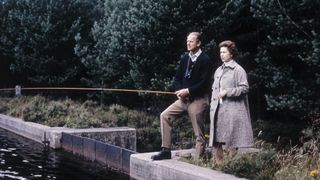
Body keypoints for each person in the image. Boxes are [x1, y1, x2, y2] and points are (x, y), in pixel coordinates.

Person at [151, 32, 213, 160]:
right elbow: (177, 78)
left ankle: (199, 158)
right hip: (184, 99)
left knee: (198, 132)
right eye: (187, 41)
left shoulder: (205, 59)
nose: (188, 43)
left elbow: (204, 83)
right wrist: (179, 91)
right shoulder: (185, 58)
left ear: (199, 43)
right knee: (165, 115)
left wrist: (188, 91)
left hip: (199, 99)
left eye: (191, 41)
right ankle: (166, 150)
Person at [209, 40, 254, 163]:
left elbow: (245, 88)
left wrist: (228, 91)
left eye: (224, 52)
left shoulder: (238, 69)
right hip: (218, 110)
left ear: (231, 54)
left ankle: (230, 167)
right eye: (220, 52)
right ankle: (218, 167)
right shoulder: (218, 70)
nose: (221, 54)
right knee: (216, 139)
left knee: (232, 140)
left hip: (232, 111)